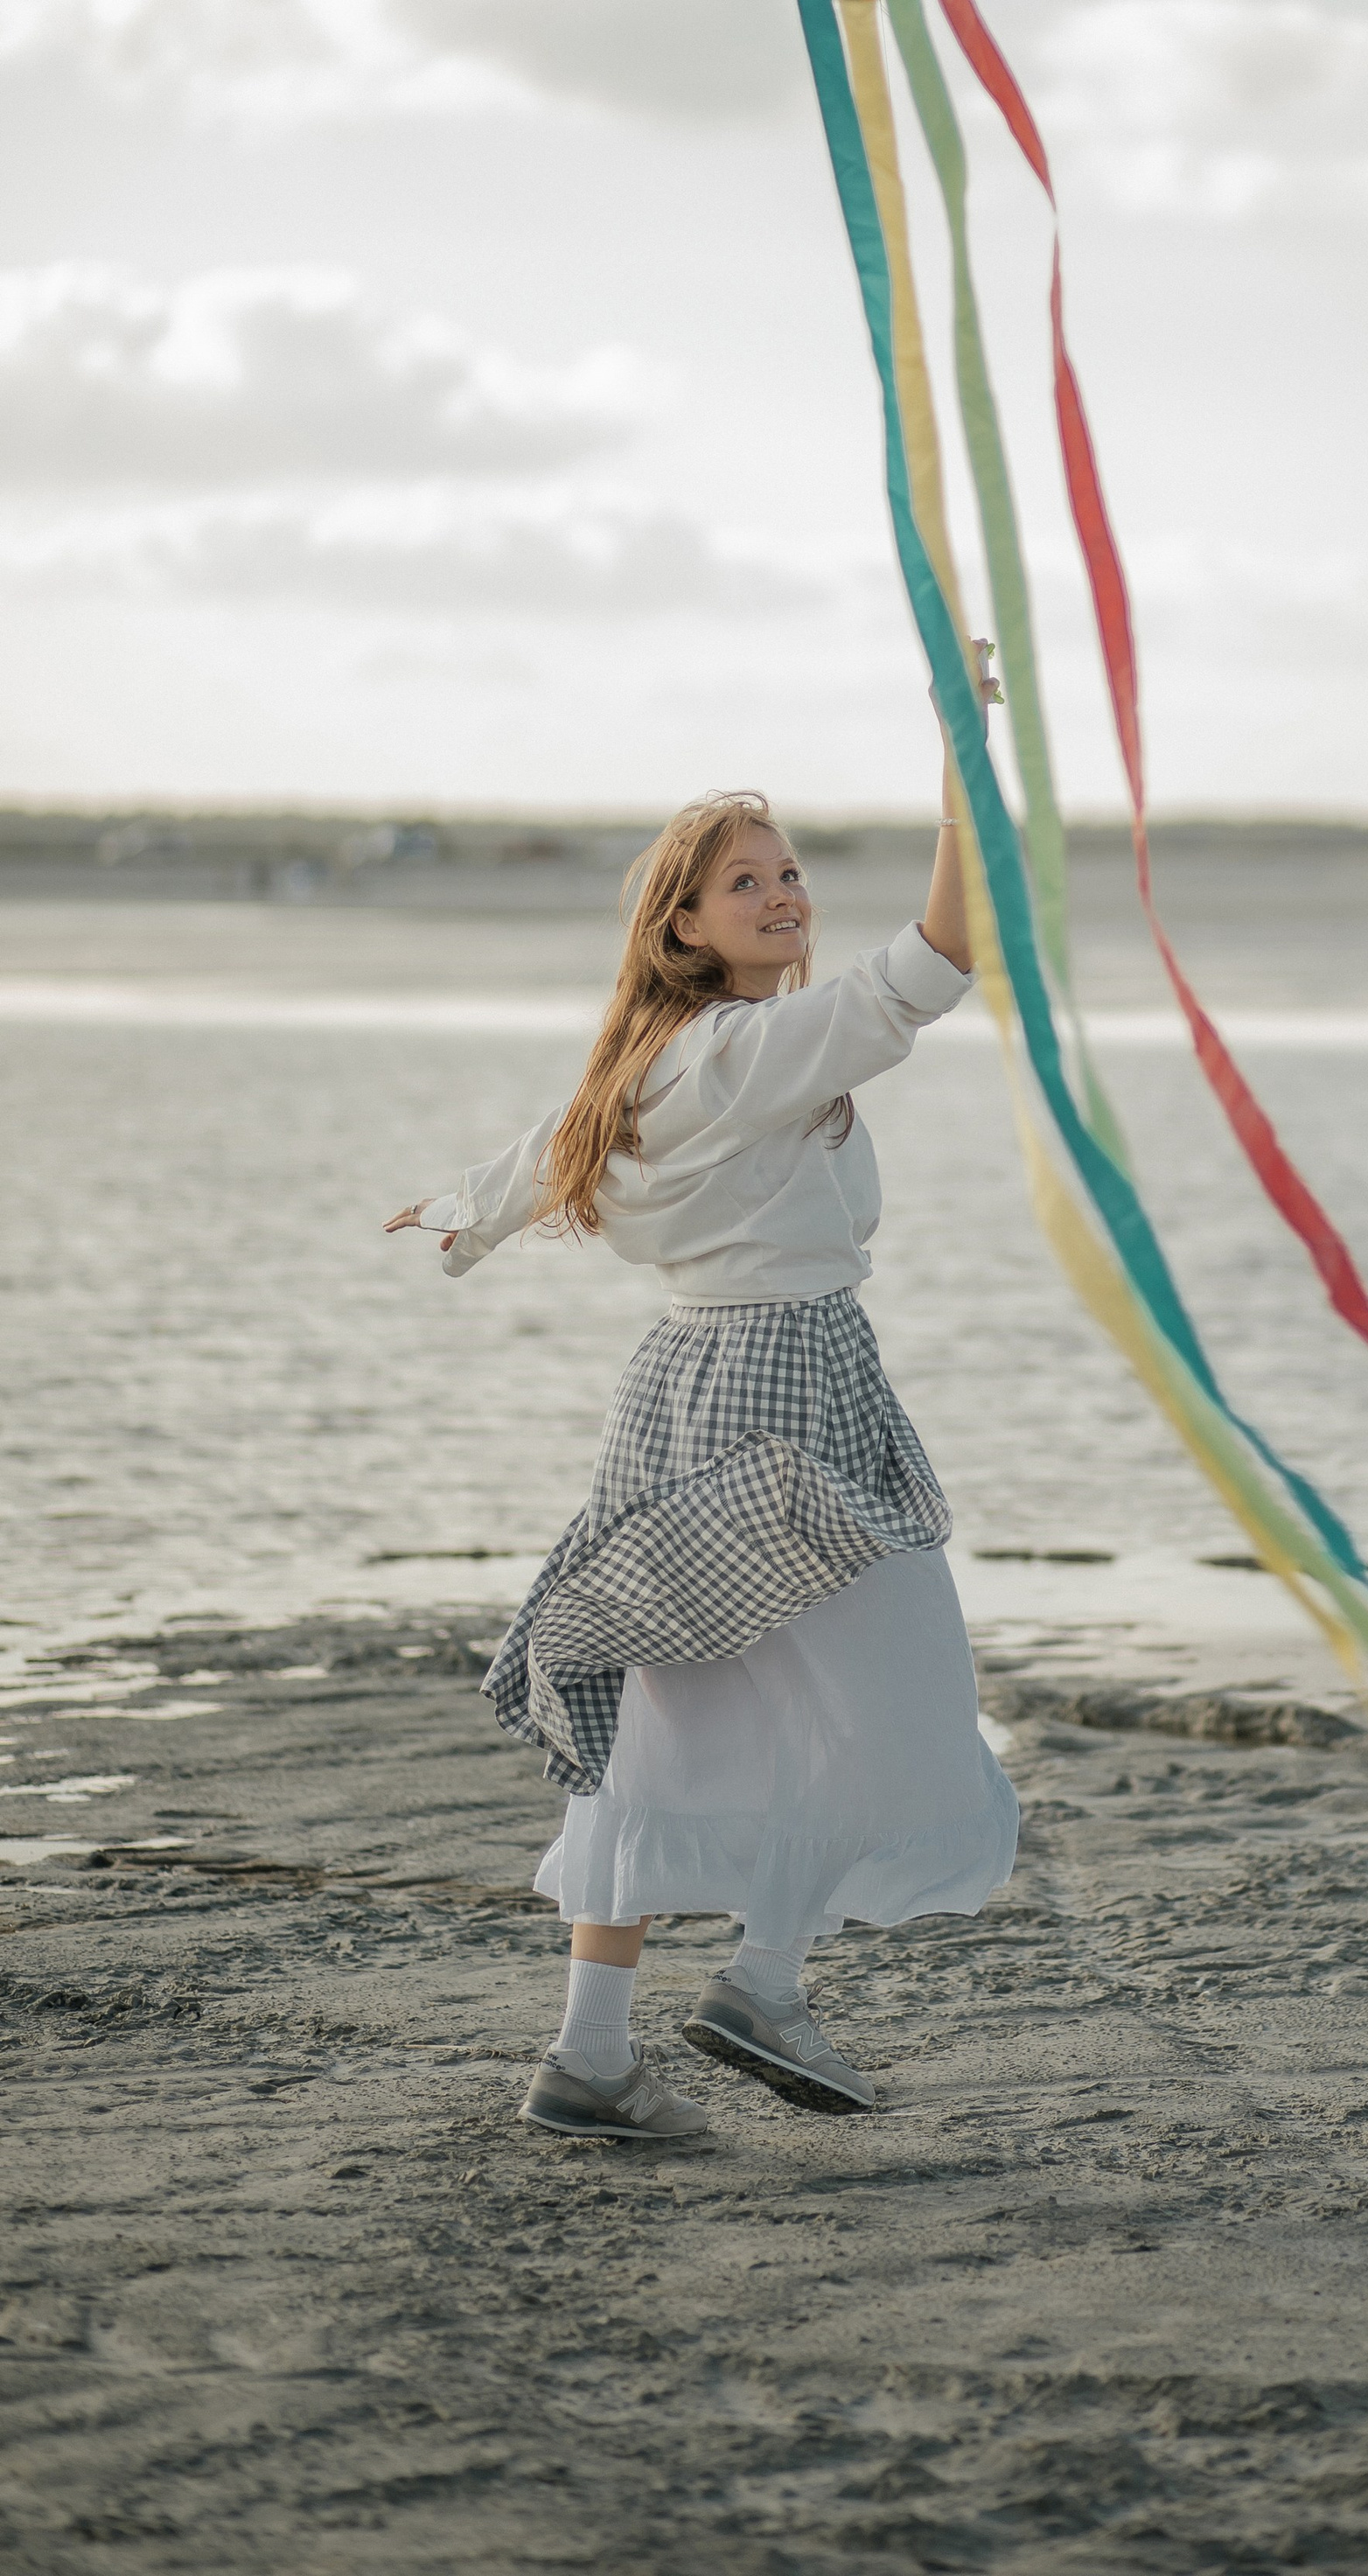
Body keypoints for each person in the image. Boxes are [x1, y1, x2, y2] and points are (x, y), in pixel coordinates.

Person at [386, 732, 1017, 2144]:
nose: (785, 892)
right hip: (789, 1396)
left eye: (790, 870)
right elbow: (938, 960)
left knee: (668, 1735)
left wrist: (457, 1216)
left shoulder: (664, 1055)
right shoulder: (747, 1047)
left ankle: (592, 2057)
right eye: (749, 880)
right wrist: (969, 774)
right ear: (684, 921)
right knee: (909, 1708)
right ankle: (763, 1984)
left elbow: (551, 1148)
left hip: (681, 1390)